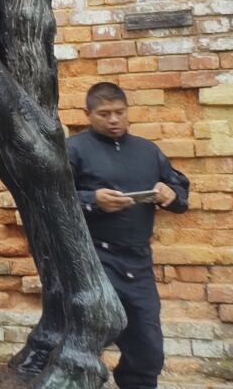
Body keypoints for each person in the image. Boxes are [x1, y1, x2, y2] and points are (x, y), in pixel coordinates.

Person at [68, 81, 189, 389]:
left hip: (138, 261)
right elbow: (52, 199)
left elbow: (180, 193)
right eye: (104, 113)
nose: (113, 120)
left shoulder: (148, 151)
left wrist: (169, 193)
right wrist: (93, 200)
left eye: (119, 112)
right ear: (88, 114)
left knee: (148, 347)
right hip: (93, 260)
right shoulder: (74, 150)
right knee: (84, 342)